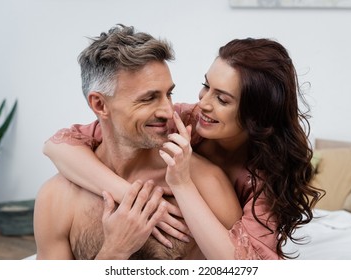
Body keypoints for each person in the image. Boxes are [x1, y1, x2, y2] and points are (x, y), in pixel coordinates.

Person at [43, 35, 323, 259]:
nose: (203, 103)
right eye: (205, 86)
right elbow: (58, 145)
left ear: (256, 117)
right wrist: (123, 222)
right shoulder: (183, 119)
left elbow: (244, 266)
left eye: (223, 99)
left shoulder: (237, 180)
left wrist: (181, 183)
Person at [34, 24, 242, 260]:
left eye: (168, 94)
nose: (167, 110)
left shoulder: (205, 183)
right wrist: (114, 252)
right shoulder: (57, 197)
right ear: (100, 105)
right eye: (149, 98)